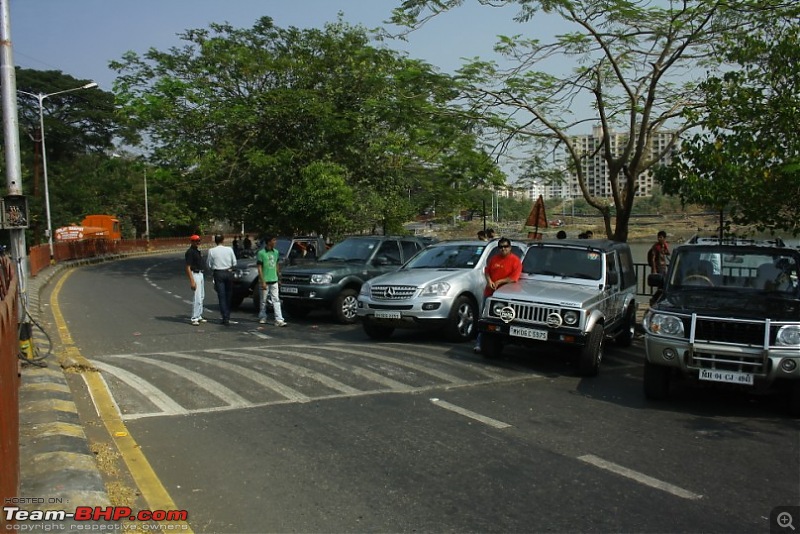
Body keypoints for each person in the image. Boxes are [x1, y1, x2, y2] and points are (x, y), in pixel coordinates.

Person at [475, 237, 523, 353]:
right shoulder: (494, 259)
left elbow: (514, 278)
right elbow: (487, 271)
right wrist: (489, 280)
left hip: (504, 297)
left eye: (505, 247)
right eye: (500, 247)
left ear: (510, 248)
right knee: (484, 319)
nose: (503, 249)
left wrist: (500, 282)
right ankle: (479, 344)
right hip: (489, 293)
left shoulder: (515, 261)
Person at [206, 234, 239, 325]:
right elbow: (234, 262)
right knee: (229, 295)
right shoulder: (229, 249)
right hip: (228, 272)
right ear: (223, 240)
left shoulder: (212, 251)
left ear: (215, 241)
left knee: (221, 295)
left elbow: (208, 264)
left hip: (218, 273)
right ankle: (227, 315)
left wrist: (213, 269)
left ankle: (224, 316)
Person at [257, 235, 288, 327]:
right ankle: (262, 316)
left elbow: (276, 265)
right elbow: (259, 268)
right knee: (263, 300)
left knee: (276, 300)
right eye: (273, 240)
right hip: (265, 280)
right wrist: (262, 281)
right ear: (268, 242)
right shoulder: (261, 253)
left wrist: (278, 277)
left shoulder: (276, 252)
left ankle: (279, 319)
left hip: (274, 279)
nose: (275, 242)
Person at [184, 234, 207, 326]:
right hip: (195, 274)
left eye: (198, 241)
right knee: (197, 297)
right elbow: (188, 267)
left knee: (201, 296)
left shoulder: (198, 251)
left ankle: (199, 315)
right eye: (196, 241)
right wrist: (192, 281)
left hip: (200, 273)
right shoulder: (190, 252)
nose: (198, 242)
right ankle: (194, 317)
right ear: (192, 242)